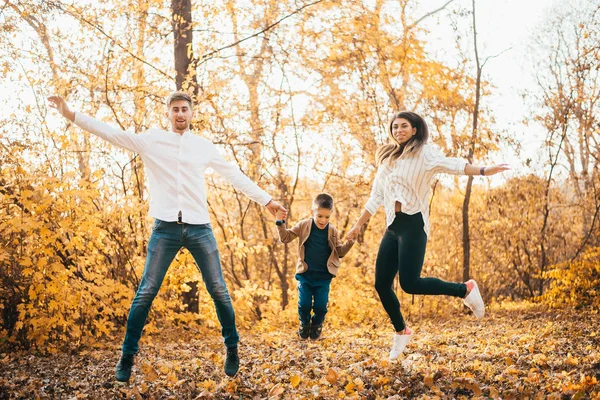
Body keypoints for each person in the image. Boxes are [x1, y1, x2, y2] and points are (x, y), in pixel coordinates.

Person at [47, 92, 287, 381]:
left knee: (219, 290)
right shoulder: (152, 140)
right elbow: (112, 134)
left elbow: (233, 174)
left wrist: (267, 200)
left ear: (192, 113)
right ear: (168, 114)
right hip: (165, 229)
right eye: (175, 109)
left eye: (185, 108)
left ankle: (232, 348)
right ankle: (126, 357)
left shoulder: (203, 147)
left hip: (200, 228)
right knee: (145, 293)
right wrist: (71, 114)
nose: (180, 113)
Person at [346, 111, 509, 360]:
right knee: (381, 283)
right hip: (392, 226)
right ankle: (401, 331)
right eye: (395, 126)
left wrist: (484, 170)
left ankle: (464, 290)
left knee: (410, 284)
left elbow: (452, 164)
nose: (398, 130)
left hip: (413, 224)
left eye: (404, 126)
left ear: (414, 129)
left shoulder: (424, 153)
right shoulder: (388, 159)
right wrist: (357, 226)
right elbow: (376, 196)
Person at [275, 193, 355, 340]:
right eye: (319, 216)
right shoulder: (303, 225)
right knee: (304, 304)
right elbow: (285, 238)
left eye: (327, 217)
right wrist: (280, 222)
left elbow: (340, 252)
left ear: (331, 214)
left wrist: (350, 242)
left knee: (320, 306)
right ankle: (304, 324)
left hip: (324, 276)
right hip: (306, 274)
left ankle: (317, 324)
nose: (323, 220)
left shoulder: (332, 231)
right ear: (313, 211)